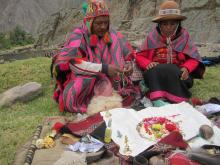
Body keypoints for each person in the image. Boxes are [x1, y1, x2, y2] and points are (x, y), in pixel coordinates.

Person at [52, 0, 135, 113]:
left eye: (106, 23)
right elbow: (74, 65)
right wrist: (104, 68)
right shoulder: (78, 35)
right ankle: (89, 103)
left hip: (111, 79)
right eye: (98, 23)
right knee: (82, 84)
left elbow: (127, 56)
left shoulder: (114, 35)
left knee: (113, 86)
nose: (103, 26)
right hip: (87, 78)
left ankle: (108, 96)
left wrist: (128, 65)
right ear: (89, 22)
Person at [136, 0, 205, 106]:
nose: (168, 27)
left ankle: (175, 98)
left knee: (173, 70)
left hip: (178, 75)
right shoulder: (152, 37)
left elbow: (194, 58)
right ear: (159, 24)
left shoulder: (184, 36)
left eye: (172, 24)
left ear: (178, 24)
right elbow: (139, 55)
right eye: (164, 24)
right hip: (156, 75)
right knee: (152, 71)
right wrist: (148, 63)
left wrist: (186, 68)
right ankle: (158, 99)